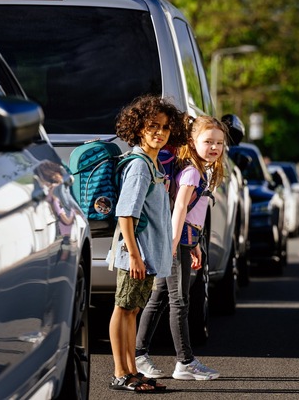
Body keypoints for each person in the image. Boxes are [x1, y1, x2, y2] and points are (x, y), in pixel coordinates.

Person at [135, 115, 228, 381]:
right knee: (179, 302)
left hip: (183, 241)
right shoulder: (191, 172)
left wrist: (194, 243)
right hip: (175, 243)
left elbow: (192, 215)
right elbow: (178, 210)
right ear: (192, 142)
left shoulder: (201, 169)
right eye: (208, 141)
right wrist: (174, 246)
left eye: (219, 143)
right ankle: (184, 362)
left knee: (159, 298)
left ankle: (140, 355)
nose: (214, 147)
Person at [108, 94, 187, 392]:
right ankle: (120, 372)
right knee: (122, 307)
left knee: (132, 310)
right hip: (136, 255)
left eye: (165, 128)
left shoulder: (154, 165)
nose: (160, 132)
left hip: (147, 254)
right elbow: (126, 214)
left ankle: (131, 371)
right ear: (139, 128)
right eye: (153, 126)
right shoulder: (139, 165)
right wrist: (134, 255)